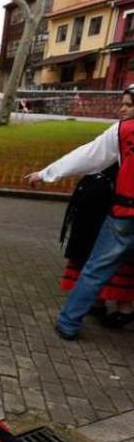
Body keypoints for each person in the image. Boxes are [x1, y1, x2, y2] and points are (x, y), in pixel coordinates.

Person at [25, 86, 134, 339]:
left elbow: (89, 156)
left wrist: (46, 174)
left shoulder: (123, 131)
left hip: (125, 214)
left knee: (95, 270)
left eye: (129, 104)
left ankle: (69, 322)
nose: (123, 109)